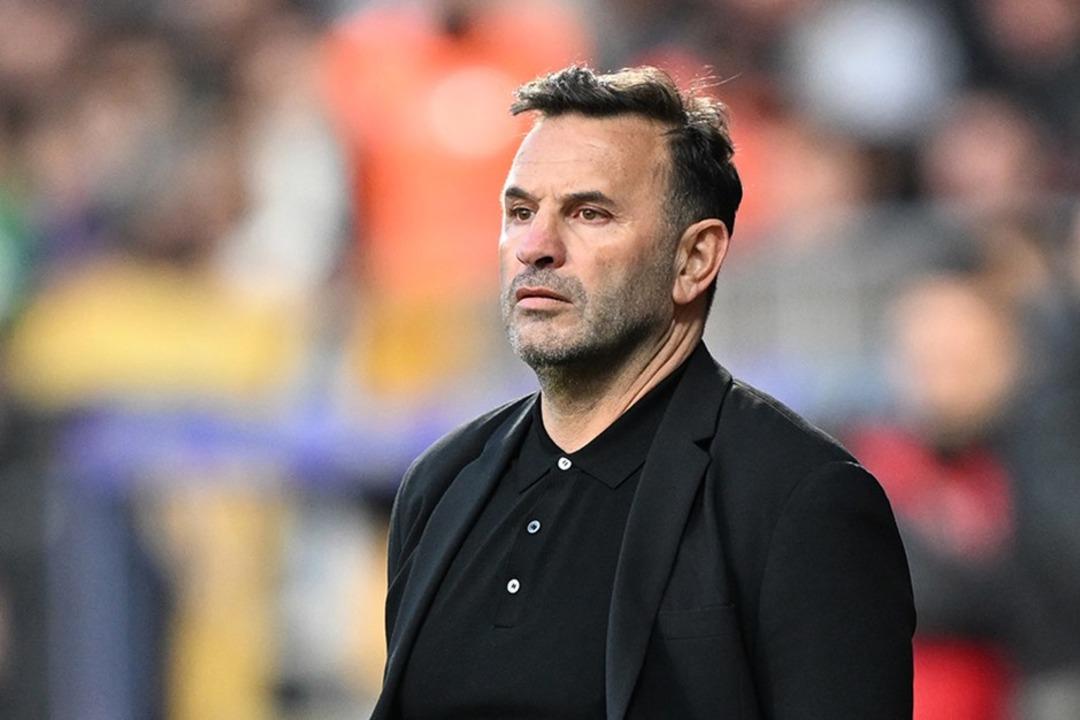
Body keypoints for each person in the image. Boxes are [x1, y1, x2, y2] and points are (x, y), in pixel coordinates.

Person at [371, 65, 915, 720]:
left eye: (589, 213)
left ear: (695, 259)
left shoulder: (798, 498)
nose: (535, 247)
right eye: (520, 212)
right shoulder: (439, 485)